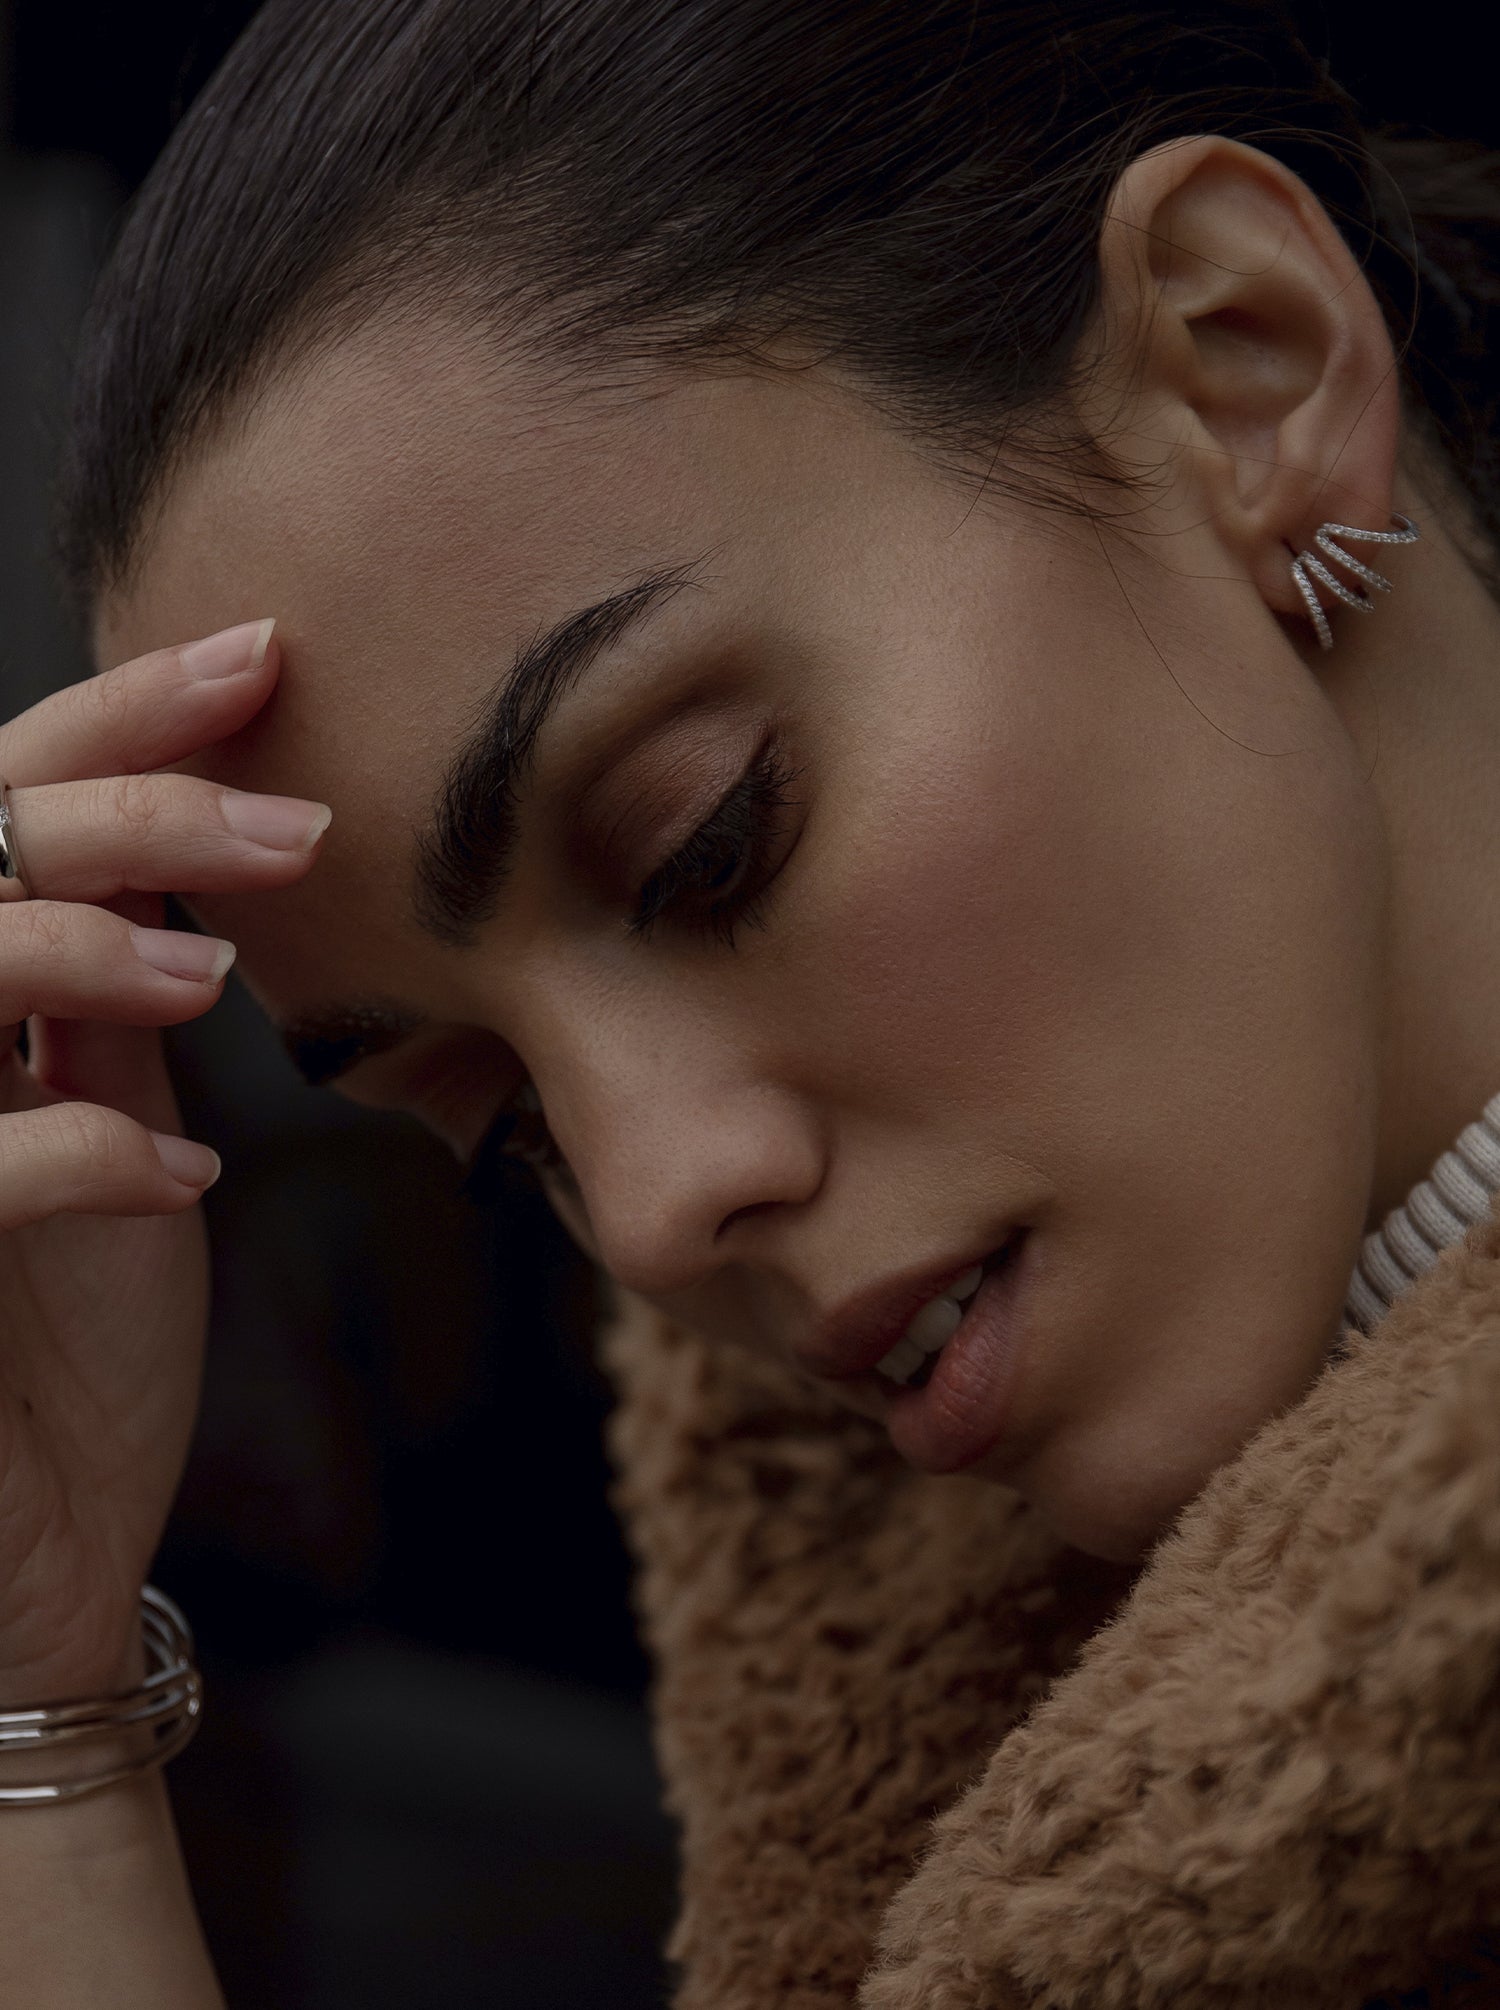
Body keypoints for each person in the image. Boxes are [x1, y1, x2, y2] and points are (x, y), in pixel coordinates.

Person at [2, 0, 1500, 2000]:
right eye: (504, 1125)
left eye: (709, 845)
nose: (645, 1210)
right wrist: (42, 1700)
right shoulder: (913, 1785)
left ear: (1245, 369)